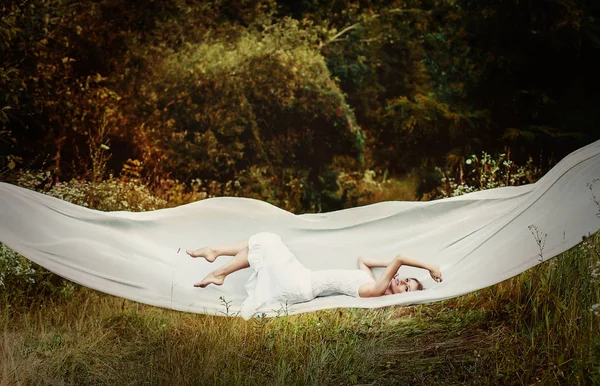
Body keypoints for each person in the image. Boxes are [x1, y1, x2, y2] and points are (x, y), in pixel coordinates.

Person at [186, 232, 442, 316]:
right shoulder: (371, 282)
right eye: (407, 279)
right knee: (266, 241)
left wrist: (430, 267)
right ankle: (215, 253)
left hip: (300, 286)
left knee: (267, 244)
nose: (402, 282)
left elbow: (399, 259)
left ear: (400, 298)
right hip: (302, 277)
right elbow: (363, 259)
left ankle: (219, 269)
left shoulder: (374, 292)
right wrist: (389, 268)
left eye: (406, 288)